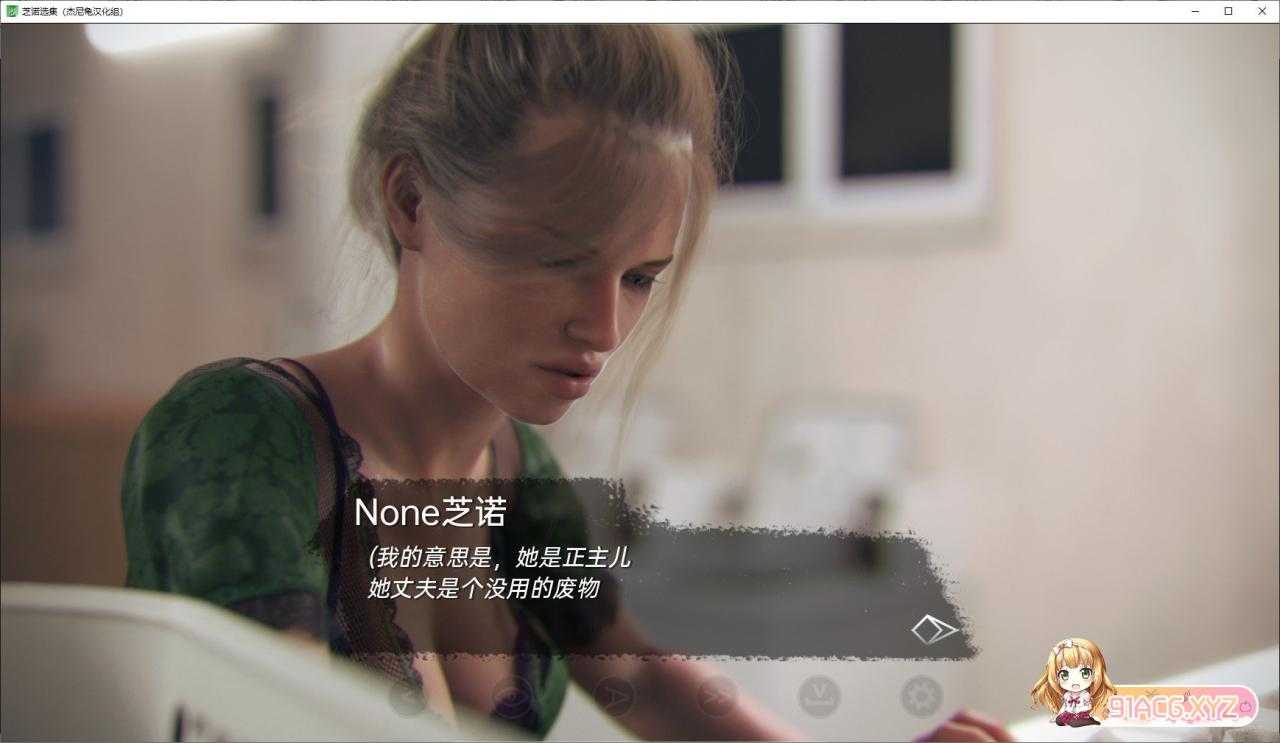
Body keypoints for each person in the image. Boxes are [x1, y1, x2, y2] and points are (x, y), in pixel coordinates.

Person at [121, 24, 1014, 742]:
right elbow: (273, 715)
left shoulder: (515, 471)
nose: (606, 329)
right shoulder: (242, 433)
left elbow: (640, 680)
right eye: (558, 260)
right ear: (411, 201)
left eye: (639, 278)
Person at [1030, 637, 1118, 728]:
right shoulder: (1067, 695)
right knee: (1059, 720)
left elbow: (1088, 706)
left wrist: (1089, 712)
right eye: (1064, 674)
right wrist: (1059, 715)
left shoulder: (1085, 695)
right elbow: (1065, 706)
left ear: (1095, 674)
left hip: (1081, 714)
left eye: (1085, 673)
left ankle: (1087, 720)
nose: (1075, 681)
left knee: (1075, 721)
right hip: (1069, 713)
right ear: (1056, 677)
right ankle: (1072, 720)